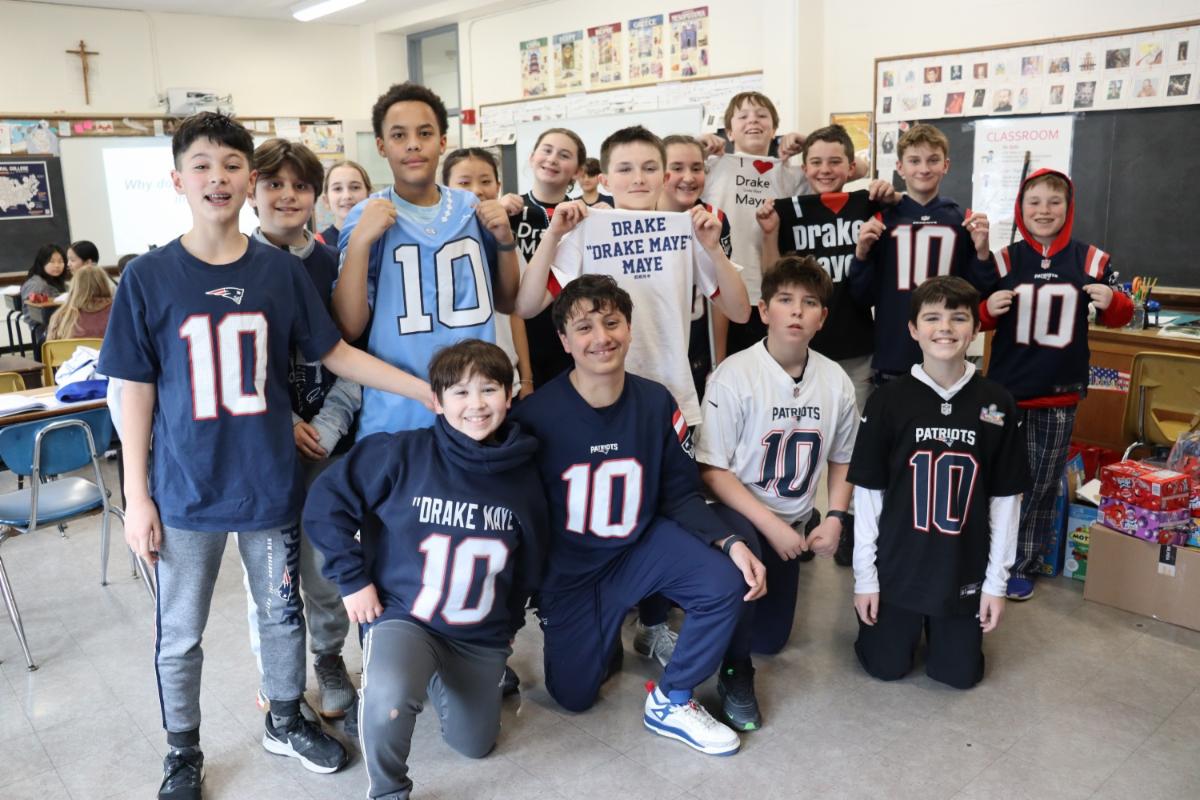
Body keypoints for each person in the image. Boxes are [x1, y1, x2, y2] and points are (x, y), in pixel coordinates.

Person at [96, 110, 435, 800]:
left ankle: (284, 718)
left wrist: (426, 389)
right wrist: (137, 495)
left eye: (230, 165)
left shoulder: (279, 271)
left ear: (247, 179)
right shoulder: (148, 276)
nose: (216, 178)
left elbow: (336, 354)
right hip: (184, 489)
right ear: (178, 180)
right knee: (180, 631)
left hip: (269, 481)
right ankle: (182, 750)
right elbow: (134, 391)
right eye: (201, 166)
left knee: (282, 612)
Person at [511, 275, 766, 756]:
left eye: (612, 323)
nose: (601, 337)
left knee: (724, 581)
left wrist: (729, 542)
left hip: (639, 549)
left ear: (629, 328)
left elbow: (680, 494)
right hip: (573, 573)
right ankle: (600, 631)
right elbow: (520, 518)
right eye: (584, 328)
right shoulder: (535, 417)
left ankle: (672, 699)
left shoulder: (655, 401)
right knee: (574, 697)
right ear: (564, 340)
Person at [303, 340, 547, 800]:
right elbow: (324, 505)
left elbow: (529, 565)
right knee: (390, 699)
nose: (476, 404)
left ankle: (436, 675)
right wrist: (352, 579)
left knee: (475, 745)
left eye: (488, 389)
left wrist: (510, 624)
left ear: (509, 395)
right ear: (436, 401)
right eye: (460, 392)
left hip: (477, 632)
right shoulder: (399, 453)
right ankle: (388, 790)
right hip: (406, 615)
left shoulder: (525, 476)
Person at [696, 255, 858, 729]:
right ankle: (734, 670)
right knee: (745, 583)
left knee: (770, 639)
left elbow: (843, 457)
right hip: (735, 514)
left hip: (792, 520)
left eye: (809, 303)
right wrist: (772, 527)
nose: (797, 311)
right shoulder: (734, 375)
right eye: (785, 300)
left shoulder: (836, 380)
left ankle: (724, 615)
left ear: (822, 318)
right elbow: (711, 471)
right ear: (764, 310)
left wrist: (835, 517)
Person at [849, 276, 1030, 690]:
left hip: (961, 566)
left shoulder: (996, 403)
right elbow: (869, 495)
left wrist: (996, 584)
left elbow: (1006, 499)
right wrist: (865, 578)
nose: (945, 328)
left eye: (958, 318)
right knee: (884, 666)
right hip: (899, 567)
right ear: (913, 329)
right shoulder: (888, 400)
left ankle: (945, 627)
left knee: (959, 675)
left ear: (976, 328)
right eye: (932, 318)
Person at [514, 125, 750, 431]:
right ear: (605, 181)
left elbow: (740, 312)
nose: (638, 178)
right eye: (625, 169)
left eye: (649, 168)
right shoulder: (587, 229)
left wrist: (715, 251)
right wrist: (553, 235)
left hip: (671, 396)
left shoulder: (686, 229)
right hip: (599, 398)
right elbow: (527, 306)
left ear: (664, 177)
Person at [977, 169, 1133, 600]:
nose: (1043, 210)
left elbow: (1121, 315)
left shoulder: (1090, 260)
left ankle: (1022, 562)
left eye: (1054, 202)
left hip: (1057, 393)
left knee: (1040, 482)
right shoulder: (1005, 260)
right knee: (990, 474)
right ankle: (984, 554)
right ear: (1020, 208)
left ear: (1069, 207)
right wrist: (987, 309)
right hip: (1003, 392)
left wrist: (1114, 301)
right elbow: (976, 315)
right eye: (1034, 202)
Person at [332, 82, 520, 438]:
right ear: (381, 146)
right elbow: (348, 327)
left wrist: (505, 241)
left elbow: (507, 302)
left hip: (473, 411)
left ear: (442, 142)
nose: (413, 144)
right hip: (397, 414)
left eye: (425, 133)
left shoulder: (472, 207)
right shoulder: (366, 215)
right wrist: (359, 243)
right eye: (399, 135)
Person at [246, 136, 358, 719]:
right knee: (268, 573)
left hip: (328, 444)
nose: (287, 195)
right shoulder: (235, 264)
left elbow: (357, 353)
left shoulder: (332, 264)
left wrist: (328, 426)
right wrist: (284, 420)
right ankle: (276, 674)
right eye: (274, 183)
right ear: (251, 191)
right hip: (260, 445)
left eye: (300, 185)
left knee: (323, 566)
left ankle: (329, 658)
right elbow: (237, 367)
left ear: (315, 195)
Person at [758, 123, 896, 413]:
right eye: (816, 162)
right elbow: (772, 279)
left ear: (851, 168)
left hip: (856, 347)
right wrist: (770, 233)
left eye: (835, 162)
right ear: (805, 169)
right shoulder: (789, 211)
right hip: (802, 347)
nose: (825, 170)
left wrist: (892, 196)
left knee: (853, 426)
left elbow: (910, 208)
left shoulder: (868, 204)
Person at [848, 123, 993, 382]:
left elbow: (978, 290)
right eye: (914, 161)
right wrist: (861, 255)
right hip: (894, 354)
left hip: (947, 356)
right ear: (900, 167)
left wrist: (983, 252)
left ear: (945, 165)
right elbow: (862, 295)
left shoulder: (963, 221)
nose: (924, 169)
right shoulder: (881, 220)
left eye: (933, 160)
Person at [498, 127, 588, 389]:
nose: (552, 159)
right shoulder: (509, 211)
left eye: (564, 155)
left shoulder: (583, 216)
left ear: (578, 171)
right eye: (546, 150)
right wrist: (496, 211)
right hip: (517, 330)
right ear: (531, 157)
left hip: (568, 332)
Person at [443, 147, 532, 399]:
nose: (477, 190)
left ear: (498, 186)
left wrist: (526, 377)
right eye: (464, 183)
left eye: (485, 182)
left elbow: (515, 314)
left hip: (503, 378)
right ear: (445, 190)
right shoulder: (436, 243)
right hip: (453, 383)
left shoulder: (505, 239)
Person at [657, 134, 733, 397]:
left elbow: (719, 298)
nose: (688, 177)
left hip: (696, 346)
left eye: (697, 168)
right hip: (651, 347)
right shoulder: (637, 215)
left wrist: (719, 362)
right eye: (677, 168)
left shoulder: (714, 219)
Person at [45, 263, 113, 340]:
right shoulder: (117, 311)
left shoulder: (60, 316)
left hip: (69, 348)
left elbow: (51, 345)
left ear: (75, 287)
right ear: (104, 285)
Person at [21, 243, 69, 348]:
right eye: (52, 262)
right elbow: (30, 316)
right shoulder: (36, 285)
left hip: (60, 328)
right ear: (42, 263)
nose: (57, 265)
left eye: (60, 261)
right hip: (47, 333)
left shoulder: (57, 281)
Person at [317, 159, 371, 247]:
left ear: (369, 195)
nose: (347, 196)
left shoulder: (383, 240)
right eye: (337, 188)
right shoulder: (318, 245)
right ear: (326, 200)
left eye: (355, 187)